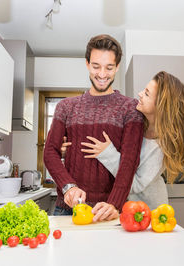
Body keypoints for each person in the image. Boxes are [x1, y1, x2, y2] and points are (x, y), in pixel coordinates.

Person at [43, 34, 144, 222]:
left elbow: (129, 161)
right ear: (87, 64)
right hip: (67, 210)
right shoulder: (66, 107)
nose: (102, 74)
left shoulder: (130, 108)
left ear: (117, 67)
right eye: (96, 66)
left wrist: (115, 203)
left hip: (109, 211)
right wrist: (68, 187)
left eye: (109, 67)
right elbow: (50, 151)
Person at [62, 71, 184, 210]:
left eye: (147, 94)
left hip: (148, 211)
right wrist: (71, 151)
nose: (140, 94)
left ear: (161, 107)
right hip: (125, 207)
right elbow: (101, 148)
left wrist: (108, 153)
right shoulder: (135, 122)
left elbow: (134, 184)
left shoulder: (161, 147)